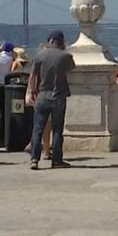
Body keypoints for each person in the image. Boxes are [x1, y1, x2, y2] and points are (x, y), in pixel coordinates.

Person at [28, 30, 76, 170]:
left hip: (42, 95)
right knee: (57, 129)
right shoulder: (65, 56)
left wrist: (33, 91)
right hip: (59, 96)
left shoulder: (39, 55)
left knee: (38, 129)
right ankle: (56, 160)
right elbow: (71, 68)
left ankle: (34, 159)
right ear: (61, 42)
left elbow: (32, 77)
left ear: (50, 41)